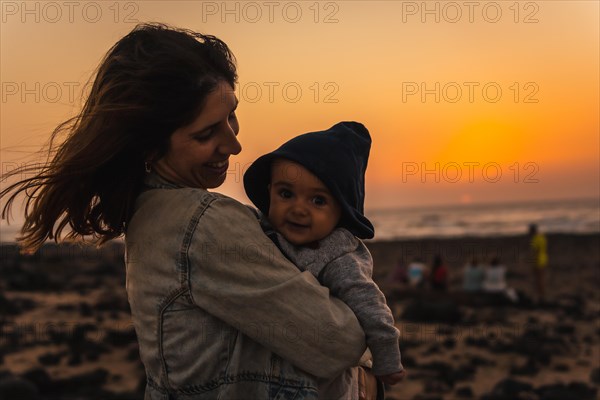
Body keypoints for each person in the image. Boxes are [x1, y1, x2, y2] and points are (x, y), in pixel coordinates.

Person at [0, 23, 371, 399]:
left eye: (231, 116)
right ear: (149, 147)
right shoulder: (204, 223)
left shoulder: (150, 213)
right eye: (205, 134)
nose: (234, 144)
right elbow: (338, 342)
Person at [243, 122, 405, 399]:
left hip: (329, 384)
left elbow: (370, 305)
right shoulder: (264, 228)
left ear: (340, 212)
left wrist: (387, 359)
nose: (298, 208)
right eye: (286, 194)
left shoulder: (336, 256)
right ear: (269, 191)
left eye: (318, 201)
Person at [529, 223, 548, 302]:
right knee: (541, 279)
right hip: (544, 259)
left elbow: (535, 251)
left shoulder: (534, 239)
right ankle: (542, 294)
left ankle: (540, 296)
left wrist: (533, 262)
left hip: (538, 261)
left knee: (538, 279)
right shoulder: (542, 237)